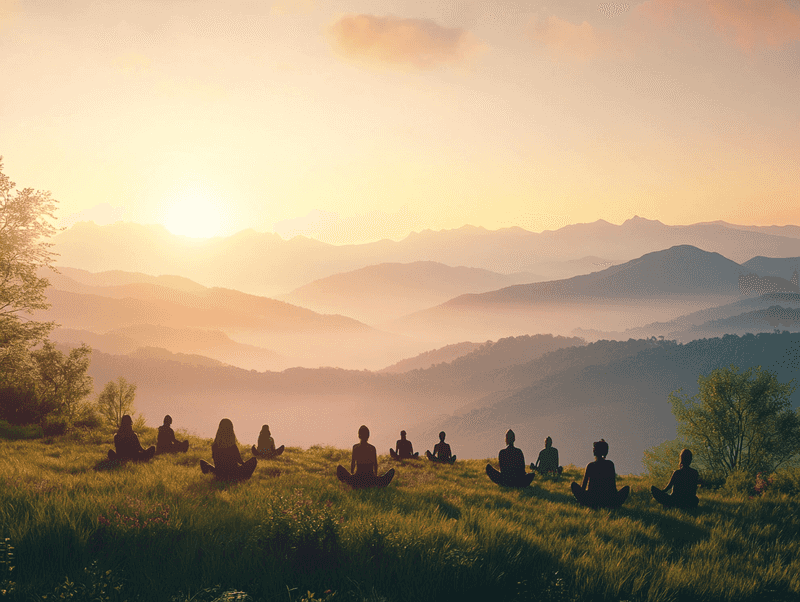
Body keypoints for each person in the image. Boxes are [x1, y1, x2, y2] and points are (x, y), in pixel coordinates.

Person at [571, 439, 629, 508]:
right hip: (608, 500)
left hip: (592, 499)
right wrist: (614, 497)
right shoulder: (610, 464)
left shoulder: (591, 465)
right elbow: (613, 486)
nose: (593, 450)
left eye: (594, 448)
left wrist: (582, 497)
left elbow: (583, 486)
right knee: (626, 488)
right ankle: (613, 505)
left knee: (573, 485)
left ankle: (587, 504)